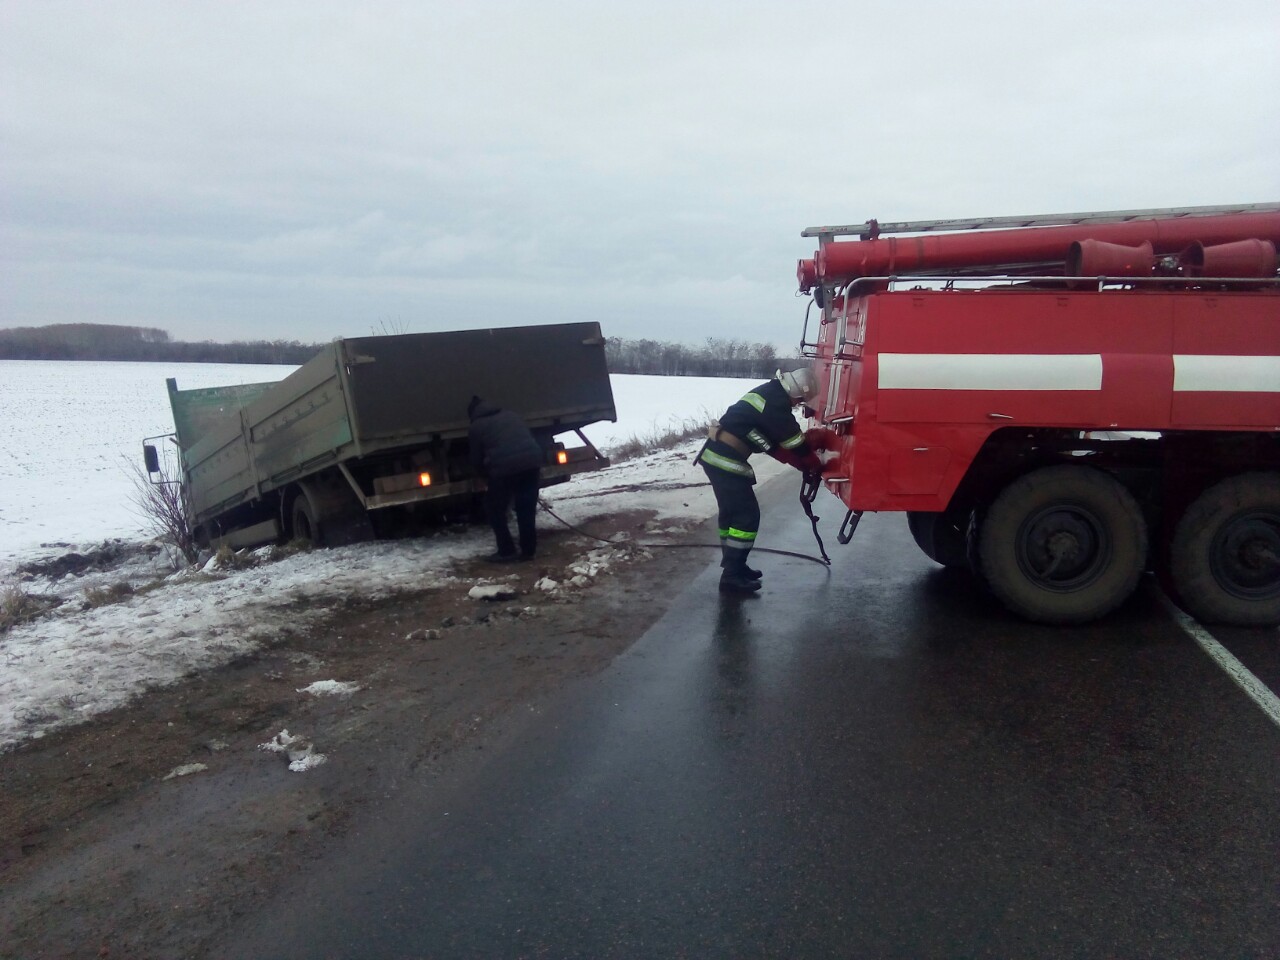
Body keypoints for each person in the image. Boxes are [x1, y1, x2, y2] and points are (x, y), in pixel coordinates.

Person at [696, 367, 825, 594]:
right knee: (746, 516)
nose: (797, 404)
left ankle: (735, 566)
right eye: (799, 400)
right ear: (796, 392)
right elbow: (794, 442)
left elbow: (768, 443)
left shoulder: (768, 394)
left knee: (731, 515)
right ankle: (731, 577)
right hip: (724, 460)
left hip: (717, 456)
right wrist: (811, 462)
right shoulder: (776, 404)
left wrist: (798, 463)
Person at [467, 395, 544, 562]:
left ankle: (506, 550)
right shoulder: (511, 415)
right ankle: (528, 551)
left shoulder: (476, 426)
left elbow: (476, 459)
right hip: (532, 463)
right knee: (526, 508)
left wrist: (484, 476)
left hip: (504, 469)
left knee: (494, 509)